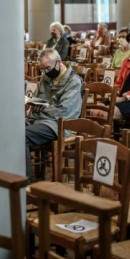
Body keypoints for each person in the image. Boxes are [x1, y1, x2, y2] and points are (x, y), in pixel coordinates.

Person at [24, 48, 82, 179]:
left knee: (21, 136)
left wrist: (40, 110)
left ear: (58, 62)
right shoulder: (46, 77)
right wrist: (32, 105)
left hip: (58, 125)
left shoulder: (73, 82)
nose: (45, 72)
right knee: (11, 129)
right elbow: (36, 98)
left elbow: (63, 111)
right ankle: (10, 175)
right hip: (38, 120)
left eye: (48, 68)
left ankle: (24, 182)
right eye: (42, 69)